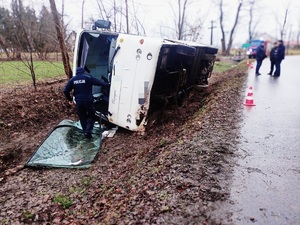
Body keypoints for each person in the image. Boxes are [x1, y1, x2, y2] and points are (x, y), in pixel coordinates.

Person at [63, 67, 109, 139]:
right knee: (91, 116)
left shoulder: (73, 79)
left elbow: (65, 90)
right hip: (88, 101)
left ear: (76, 72)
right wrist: (108, 85)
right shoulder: (88, 77)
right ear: (83, 72)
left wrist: (70, 99)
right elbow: (99, 83)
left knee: (82, 117)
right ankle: (88, 131)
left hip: (79, 102)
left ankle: (85, 132)